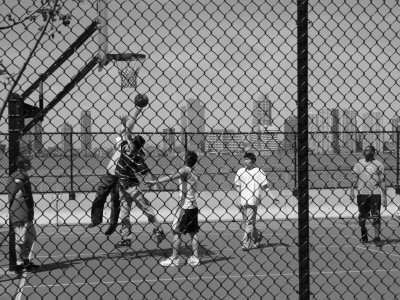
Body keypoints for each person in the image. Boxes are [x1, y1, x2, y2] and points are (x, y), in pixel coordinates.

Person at [114, 111, 166, 248]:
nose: (130, 142)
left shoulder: (137, 159)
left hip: (131, 187)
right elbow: (127, 134)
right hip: (123, 187)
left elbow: (146, 172)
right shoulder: (124, 148)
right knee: (124, 215)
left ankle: (159, 230)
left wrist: (155, 182)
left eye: (132, 143)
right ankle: (126, 238)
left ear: (135, 147)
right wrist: (125, 123)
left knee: (146, 208)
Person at [88, 112, 143, 236]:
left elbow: (129, 127)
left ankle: (113, 225)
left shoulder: (134, 150)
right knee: (100, 194)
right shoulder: (124, 143)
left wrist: (136, 112)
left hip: (121, 176)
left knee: (115, 200)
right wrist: (127, 120)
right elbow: (125, 128)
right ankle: (96, 219)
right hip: (110, 173)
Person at [145, 150, 200, 267]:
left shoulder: (185, 170)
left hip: (185, 208)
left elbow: (171, 177)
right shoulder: (193, 172)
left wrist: (155, 181)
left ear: (186, 159)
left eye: (183, 156)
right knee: (193, 233)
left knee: (176, 232)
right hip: (193, 206)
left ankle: (174, 258)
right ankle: (195, 257)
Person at [234, 152, 280, 251]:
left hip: (253, 200)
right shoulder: (240, 171)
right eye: (245, 159)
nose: (246, 161)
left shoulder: (259, 171)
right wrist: (238, 199)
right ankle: (257, 238)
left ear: (253, 160)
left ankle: (245, 243)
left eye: (248, 159)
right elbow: (238, 186)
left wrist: (272, 197)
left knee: (249, 223)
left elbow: (265, 186)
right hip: (243, 200)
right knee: (248, 223)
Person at [350, 145, 387, 246]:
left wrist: (384, 196)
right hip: (362, 192)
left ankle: (377, 237)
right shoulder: (359, 164)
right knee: (362, 216)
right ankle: (363, 230)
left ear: (373, 152)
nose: (364, 152)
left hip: (375, 193)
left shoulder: (379, 165)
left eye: (367, 151)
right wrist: (352, 191)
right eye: (364, 151)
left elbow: (382, 181)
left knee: (376, 215)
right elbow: (354, 178)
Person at [7, 156, 39, 273]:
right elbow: (17, 182)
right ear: (25, 164)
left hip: (26, 212)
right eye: (29, 163)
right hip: (20, 212)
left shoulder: (23, 175)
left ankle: (25, 260)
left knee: (30, 236)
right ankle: (19, 264)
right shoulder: (19, 175)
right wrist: (22, 188)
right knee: (21, 238)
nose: (31, 164)